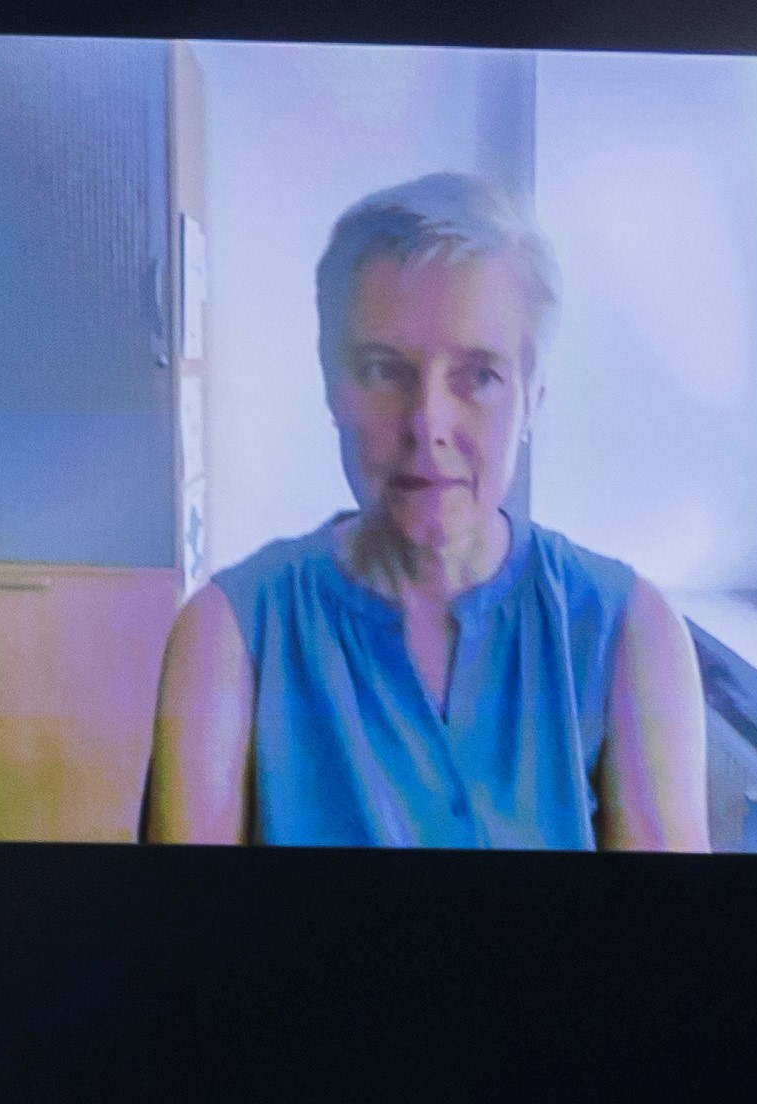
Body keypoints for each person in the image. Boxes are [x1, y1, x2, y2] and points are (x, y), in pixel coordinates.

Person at [141, 174, 707, 851]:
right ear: (331, 386)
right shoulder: (228, 636)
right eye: (384, 369)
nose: (427, 422)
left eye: (478, 376)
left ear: (534, 396)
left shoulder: (631, 635)